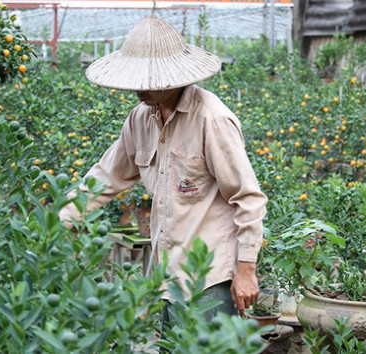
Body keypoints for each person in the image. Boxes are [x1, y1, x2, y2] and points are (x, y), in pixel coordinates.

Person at [59, 14, 267, 327]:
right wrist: (60, 220)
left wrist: (246, 269)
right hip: (167, 276)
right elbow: (105, 176)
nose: (138, 89)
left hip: (209, 279)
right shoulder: (140, 120)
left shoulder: (211, 119)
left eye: (148, 79)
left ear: (173, 76)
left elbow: (247, 196)